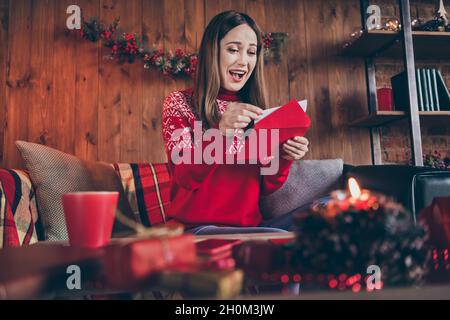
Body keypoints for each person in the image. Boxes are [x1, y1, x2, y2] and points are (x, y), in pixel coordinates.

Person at [162, 10, 309, 235]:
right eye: (233, 50)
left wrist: (284, 157)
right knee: (282, 240)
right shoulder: (179, 103)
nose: (244, 61)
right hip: (196, 230)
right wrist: (220, 132)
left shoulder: (256, 110)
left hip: (249, 229)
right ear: (212, 53)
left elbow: (267, 187)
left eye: (251, 52)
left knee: (328, 213)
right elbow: (184, 177)